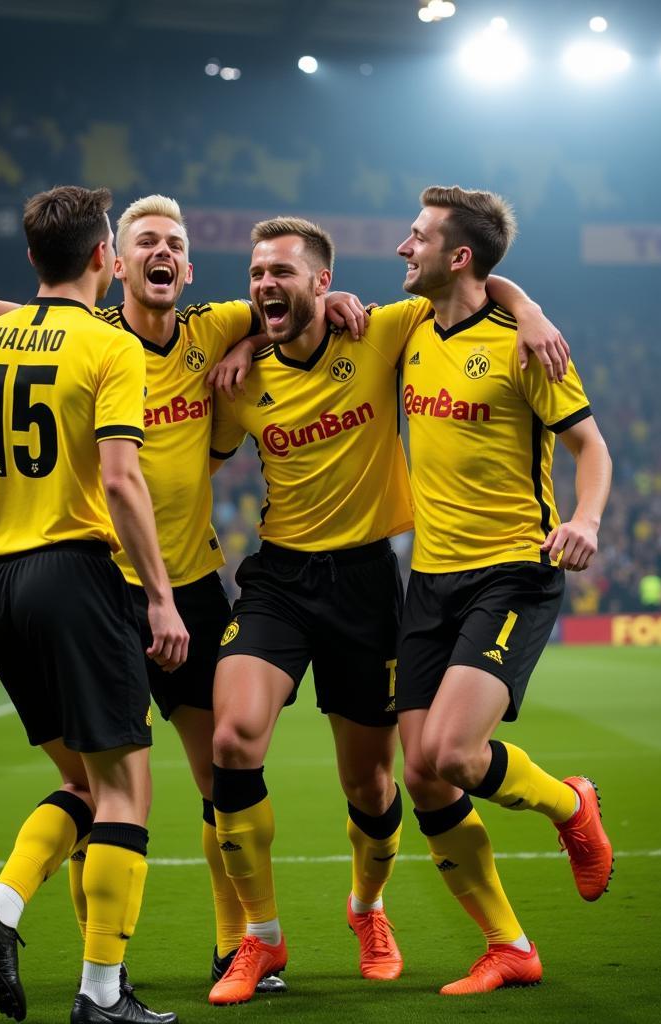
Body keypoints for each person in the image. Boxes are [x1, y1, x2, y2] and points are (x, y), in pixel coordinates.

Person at [0, 171, 367, 995]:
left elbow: (300, 302)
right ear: (116, 258)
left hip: (190, 587)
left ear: (186, 263)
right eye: (147, 241)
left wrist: (332, 304)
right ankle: (102, 968)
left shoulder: (215, 327)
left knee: (220, 777)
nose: (165, 252)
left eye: (177, 243)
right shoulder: (96, 336)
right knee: (105, 786)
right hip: (103, 591)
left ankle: (236, 943)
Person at [205, 216, 568, 1005]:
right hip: (277, 578)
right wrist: (239, 347)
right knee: (232, 739)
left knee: (372, 787)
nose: (266, 284)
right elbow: (187, 447)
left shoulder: (385, 331)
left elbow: (472, 288)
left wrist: (531, 311)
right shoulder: (237, 381)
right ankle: (260, 940)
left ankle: (368, 910)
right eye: (257, 272)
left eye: (283, 273)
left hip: (368, 584)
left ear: (324, 285)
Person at [0, 183, 188, 1024]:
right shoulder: (108, 349)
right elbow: (120, 478)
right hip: (76, 577)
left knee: (82, 782)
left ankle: (2, 907)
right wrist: (160, 598)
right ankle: (101, 996)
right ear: (104, 261)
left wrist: (8, 525)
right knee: (125, 793)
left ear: (34, 260)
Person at [394, 185, 614, 995]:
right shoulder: (410, 327)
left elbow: (592, 449)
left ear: (458, 256)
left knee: (452, 753)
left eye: (415, 237)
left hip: (513, 571)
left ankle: (569, 805)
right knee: (419, 773)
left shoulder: (528, 348)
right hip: (429, 578)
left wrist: (586, 520)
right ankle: (509, 945)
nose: (400, 248)